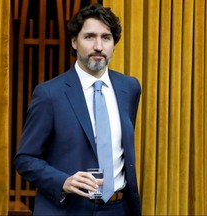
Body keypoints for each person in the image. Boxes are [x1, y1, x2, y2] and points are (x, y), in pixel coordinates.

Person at [14, 3, 141, 215]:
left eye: (106, 37)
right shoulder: (49, 94)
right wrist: (63, 181)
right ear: (74, 42)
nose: (98, 46)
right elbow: (25, 159)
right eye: (89, 37)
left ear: (114, 44)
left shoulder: (129, 88)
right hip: (68, 209)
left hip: (118, 208)